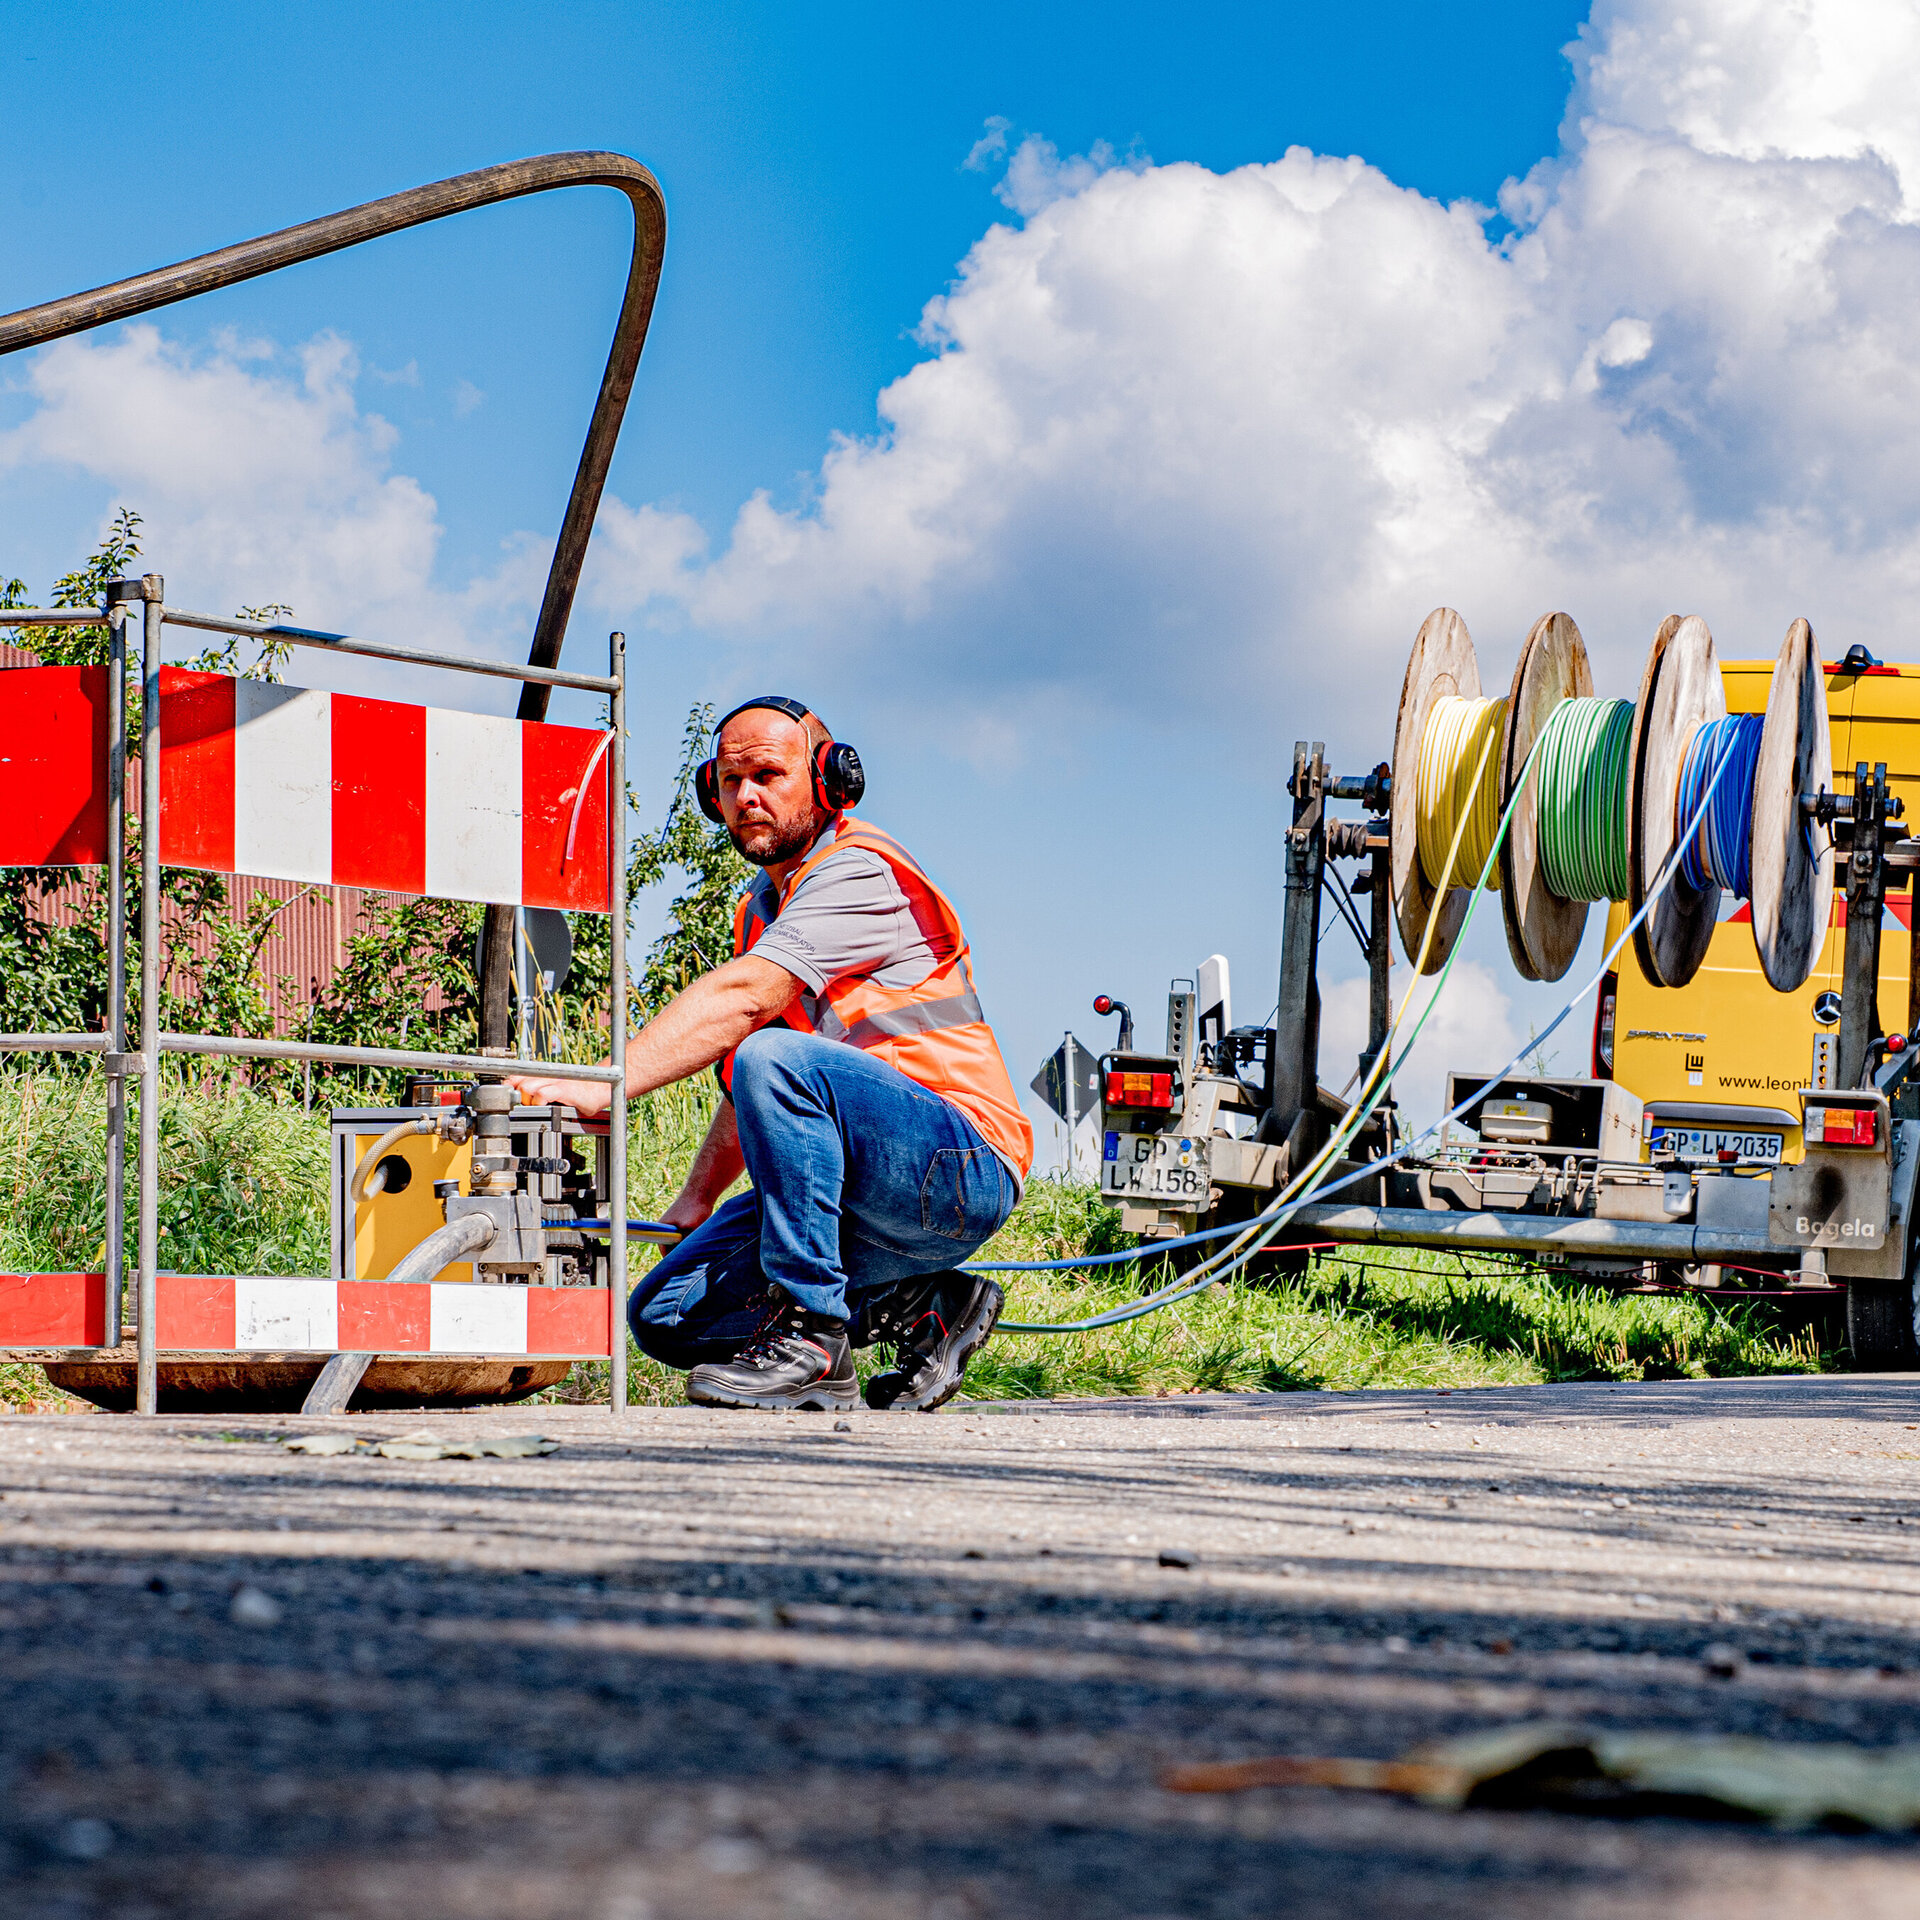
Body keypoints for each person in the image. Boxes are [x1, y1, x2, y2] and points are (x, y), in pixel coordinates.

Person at [512, 696, 1033, 1412]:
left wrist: (606, 1084)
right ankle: (927, 1303)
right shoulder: (763, 908)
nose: (745, 796)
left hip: (957, 1170)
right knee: (666, 1313)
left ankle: (815, 1341)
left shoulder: (859, 870)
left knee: (774, 1054)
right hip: (862, 1192)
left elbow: (750, 1008)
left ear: (828, 780)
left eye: (767, 774)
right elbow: (750, 1077)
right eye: (729, 782)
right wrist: (698, 1197)